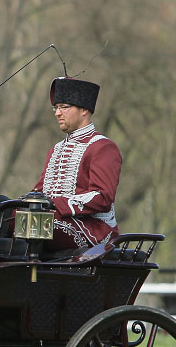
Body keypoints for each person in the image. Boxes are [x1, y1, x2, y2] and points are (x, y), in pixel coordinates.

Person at [30, 77, 121, 252]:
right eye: (56, 108)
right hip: (54, 219)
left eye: (64, 107)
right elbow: (40, 192)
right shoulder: (55, 149)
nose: (57, 113)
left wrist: (56, 204)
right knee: (5, 221)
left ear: (84, 110)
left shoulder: (103, 147)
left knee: (33, 227)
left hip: (94, 229)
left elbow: (102, 196)